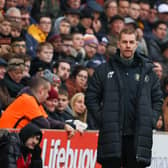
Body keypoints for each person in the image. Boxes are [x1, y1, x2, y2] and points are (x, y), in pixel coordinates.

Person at [85, 28, 163, 168]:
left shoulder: (148, 71)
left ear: (136, 44)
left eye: (131, 42)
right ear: (119, 44)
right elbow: (91, 97)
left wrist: (151, 118)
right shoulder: (104, 70)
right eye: (125, 42)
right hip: (112, 135)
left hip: (138, 136)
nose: (128, 45)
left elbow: (158, 99)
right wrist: (103, 118)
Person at [0, 76, 75, 138]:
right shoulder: (27, 100)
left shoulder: (35, 102)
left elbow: (48, 120)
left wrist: (64, 125)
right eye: (47, 92)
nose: (48, 95)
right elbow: (45, 124)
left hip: (11, 139)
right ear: (41, 91)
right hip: (5, 139)